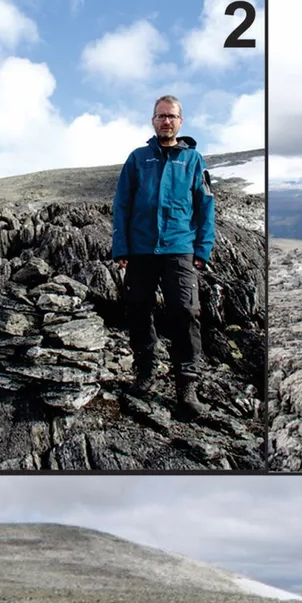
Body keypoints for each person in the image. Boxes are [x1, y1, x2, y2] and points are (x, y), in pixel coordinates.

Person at [112, 95, 216, 416]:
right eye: (160, 116)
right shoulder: (138, 158)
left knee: (185, 313)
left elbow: (205, 206)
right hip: (141, 251)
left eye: (171, 116)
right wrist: (122, 247)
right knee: (139, 310)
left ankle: (186, 386)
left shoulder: (193, 160)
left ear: (180, 121)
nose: (166, 121)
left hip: (179, 249)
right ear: (152, 121)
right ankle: (145, 372)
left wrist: (203, 248)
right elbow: (122, 205)